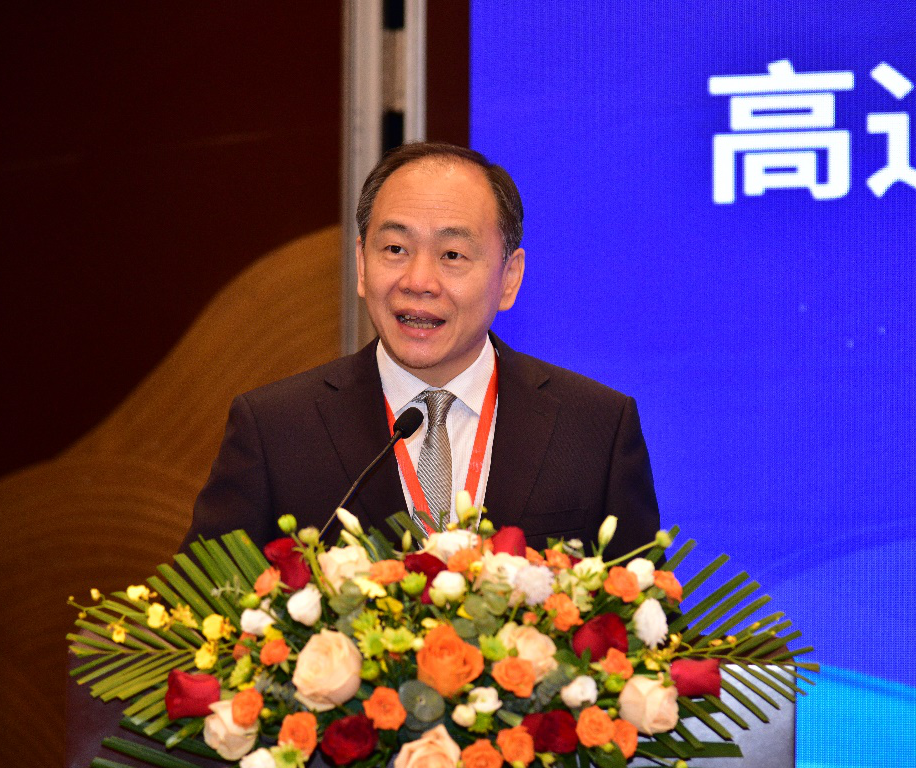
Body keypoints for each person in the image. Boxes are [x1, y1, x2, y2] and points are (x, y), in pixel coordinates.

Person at [182, 142, 659, 554]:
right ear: (362, 265)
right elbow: (197, 613)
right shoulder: (275, 429)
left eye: (452, 255)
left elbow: (640, 621)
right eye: (395, 249)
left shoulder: (594, 428)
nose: (419, 281)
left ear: (509, 278)